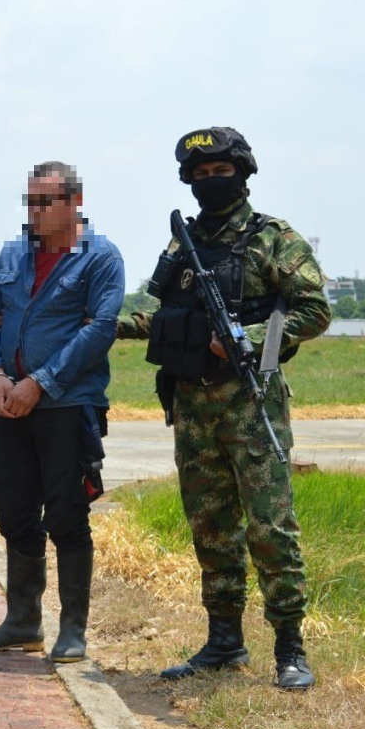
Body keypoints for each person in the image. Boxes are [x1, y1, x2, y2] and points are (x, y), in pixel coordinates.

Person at [119, 128, 328, 690]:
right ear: (189, 179)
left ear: (243, 171)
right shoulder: (180, 243)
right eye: (201, 173)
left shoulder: (273, 238)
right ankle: (224, 642)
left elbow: (314, 310)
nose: (213, 180)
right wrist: (104, 325)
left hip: (250, 401)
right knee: (210, 527)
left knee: (270, 528)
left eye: (222, 169)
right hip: (192, 404)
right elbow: (160, 314)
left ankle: (290, 646)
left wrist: (250, 335)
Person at [0, 162, 124, 663]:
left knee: (66, 514)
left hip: (67, 406)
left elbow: (99, 330)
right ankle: (22, 622)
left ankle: (72, 630)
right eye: (29, 202)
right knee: (13, 510)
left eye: (44, 202)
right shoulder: (13, 253)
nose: (33, 212)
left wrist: (42, 382)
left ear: (74, 202)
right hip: (12, 403)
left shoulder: (101, 258)